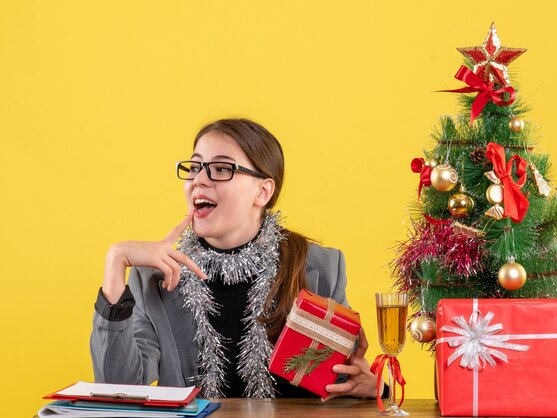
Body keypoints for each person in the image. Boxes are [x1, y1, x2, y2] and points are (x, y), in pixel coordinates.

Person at [90, 118, 379, 399]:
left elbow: (340, 381)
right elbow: (118, 388)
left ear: (262, 191)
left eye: (220, 168)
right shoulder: (154, 275)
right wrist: (116, 262)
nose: (199, 180)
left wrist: (368, 389)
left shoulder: (320, 268)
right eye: (195, 167)